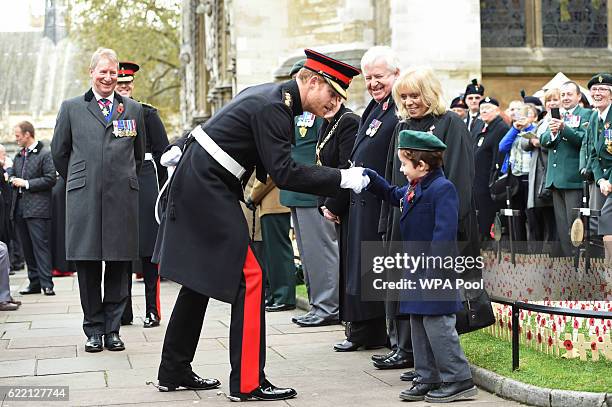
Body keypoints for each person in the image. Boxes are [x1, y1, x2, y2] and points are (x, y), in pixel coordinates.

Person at [152, 48, 365, 401]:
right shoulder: (275, 107)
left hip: (203, 181)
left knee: (198, 279)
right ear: (313, 82)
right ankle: (248, 382)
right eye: (332, 94)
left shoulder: (271, 97)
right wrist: (342, 178)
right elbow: (284, 172)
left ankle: (173, 370)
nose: (334, 103)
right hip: (206, 184)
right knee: (251, 277)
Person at [378, 68, 478, 379]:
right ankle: (411, 354)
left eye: (415, 95)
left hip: (439, 223)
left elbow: (459, 178)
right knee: (408, 290)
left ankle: (440, 365)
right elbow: (392, 172)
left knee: (433, 297)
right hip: (406, 217)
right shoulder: (403, 126)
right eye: (404, 96)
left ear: (430, 94)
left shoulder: (451, 123)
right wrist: (387, 219)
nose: (409, 102)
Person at [364, 129, 478, 403]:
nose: (401, 169)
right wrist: (369, 178)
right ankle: (427, 377)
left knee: (439, 327)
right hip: (415, 268)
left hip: (434, 270)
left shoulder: (442, 189)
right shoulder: (416, 188)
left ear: (422, 165)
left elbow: (444, 232)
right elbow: (394, 195)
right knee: (419, 324)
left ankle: (459, 379)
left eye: (404, 163)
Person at [51, 48, 146, 353]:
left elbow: (138, 153)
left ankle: (113, 329)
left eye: (112, 72)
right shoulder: (72, 108)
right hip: (85, 199)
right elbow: (59, 152)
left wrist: (119, 178)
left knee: (119, 265)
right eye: (102, 72)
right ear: (91, 73)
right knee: (88, 264)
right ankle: (93, 329)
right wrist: (83, 178)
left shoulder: (132, 110)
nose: (108, 77)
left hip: (121, 198)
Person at [333, 45, 398, 354]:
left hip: (380, 201)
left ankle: (374, 331)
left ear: (396, 75)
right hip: (362, 199)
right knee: (362, 267)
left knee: (375, 268)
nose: (373, 83)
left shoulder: (398, 110)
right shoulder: (375, 108)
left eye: (380, 77)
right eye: (369, 78)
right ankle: (363, 331)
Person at [280, 59, 340, 326]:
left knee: (322, 251)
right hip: (296, 189)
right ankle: (318, 304)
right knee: (307, 253)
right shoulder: (289, 110)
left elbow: (320, 150)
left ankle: (329, 306)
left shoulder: (316, 110)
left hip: (312, 188)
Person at [115, 61, 169, 328]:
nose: (124, 88)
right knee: (121, 250)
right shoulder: (105, 115)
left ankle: (151, 310)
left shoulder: (147, 114)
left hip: (145, 177)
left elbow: (164, 154)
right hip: (116, 181)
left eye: (127, 84)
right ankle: (122, 311)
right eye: (119, 84)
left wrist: (163, 192)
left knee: (148, 250)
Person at [308, 96, 360, 327]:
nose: (327, 105)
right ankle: (350, 325)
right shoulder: (327, 123)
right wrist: (324, 203)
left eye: (333, 99)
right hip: (332, 202)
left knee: (349, 265)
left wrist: (333, 204)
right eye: (325, 99)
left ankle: (354, 324)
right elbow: (322, 166)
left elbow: (345, 168)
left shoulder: (347, 121)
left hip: (346, 203)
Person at [541, 81, 592, 256]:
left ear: (578, 96)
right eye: (563, 95)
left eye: (569, 94)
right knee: (562, 227)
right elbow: (544, 140)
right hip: (555, 179)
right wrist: (554, 131)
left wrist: (564, 128)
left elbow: (583, 140)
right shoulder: (556, 114)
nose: (565, 98)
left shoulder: (586, 114)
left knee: (575, 226)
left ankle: (578, 261)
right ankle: (568, 266)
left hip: (573, 179)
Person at [9, 121, 56, 296]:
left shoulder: (45, 154)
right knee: (27, 248)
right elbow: (12, 173)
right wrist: (12, 178)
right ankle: (34, 282)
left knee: (40, 246)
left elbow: (51, 178)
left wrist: (27, 183)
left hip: (38, 209)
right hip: (19, 208)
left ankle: (47, 284)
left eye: (18, 136)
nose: (16, 139)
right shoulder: (19, 155)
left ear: (27, 134)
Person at [248, 176, 296, 312]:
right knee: (273, 254)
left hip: (275, 204)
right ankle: (278, 296)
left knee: (278, 253)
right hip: (271, 205)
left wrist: (253, 196)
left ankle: (284, 297)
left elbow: (268, 175)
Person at [499, 102, 539, 243]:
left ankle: (534, 249)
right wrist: (515, 129)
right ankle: (519, 246)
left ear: (534, 117)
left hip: (531, 177)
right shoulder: (514, 131)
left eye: (526, 115)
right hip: (515, 177)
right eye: (520, 115)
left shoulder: (536, 130)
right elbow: (502, 147)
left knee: (532, 214)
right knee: (517, 215)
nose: (522, 119)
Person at [473, 97, 509, 241]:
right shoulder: (485, 128)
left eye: (488, 108)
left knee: (489, 217)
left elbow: (499, 158)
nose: (484, 110)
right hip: (479, 181)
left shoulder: (501, 128)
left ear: (497, 111)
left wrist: (494, 181)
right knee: (482, 216)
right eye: (482, 109)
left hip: (490, 183)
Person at [586, 73, 612, 258]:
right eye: (594, 89)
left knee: (607, 221)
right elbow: (593, 154)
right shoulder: (595, 118)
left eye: (602, 89)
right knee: (604, 224)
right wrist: (601, 179)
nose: (597, 93)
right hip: (604, 180)